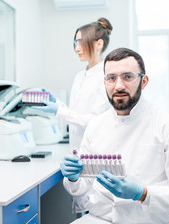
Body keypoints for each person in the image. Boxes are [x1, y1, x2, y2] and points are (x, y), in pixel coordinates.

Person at [51, 48, 169, 224]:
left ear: (144, 81)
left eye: (128, 77)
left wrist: (143, 193)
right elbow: (83, 188)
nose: (119, 86)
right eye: (111, 78)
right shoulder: (96, 126)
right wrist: (73, 178)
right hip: (97, 223)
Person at [32, 18, 113, 150]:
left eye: (81, 42)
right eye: (75, 42)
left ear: (99, 44)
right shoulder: (80, 76)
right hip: (76, 150)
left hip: (96, 151)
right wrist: (57, 103)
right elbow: (74, 114)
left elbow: (94, 121)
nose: (77, 49)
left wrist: (59, 111)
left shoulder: (106, 77)